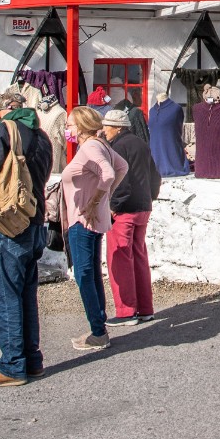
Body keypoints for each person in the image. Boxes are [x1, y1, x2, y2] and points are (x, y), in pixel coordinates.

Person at [0, 89, 53, 387]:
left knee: (5, 294)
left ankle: (12, 365)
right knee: (26, 294)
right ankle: (32, 360)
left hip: (10, 221)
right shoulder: (41, 135)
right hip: (35, 219)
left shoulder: (3, 131)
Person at [58, 105, 126, 351]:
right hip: (90, 217)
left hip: (83, 218)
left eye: (70, 125)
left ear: (82, 125)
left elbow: (109, 173)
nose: (68, 129)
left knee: (84, 273)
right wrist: (103, 198)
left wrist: (97, 200)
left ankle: (98, 331)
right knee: (92, 271)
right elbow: (121, 168)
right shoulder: (101, 145)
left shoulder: (89, 147)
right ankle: (99, 326)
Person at [101, 107, 160, 325]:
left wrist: (115, 205)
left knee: (120, 258)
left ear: (116, 128)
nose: (104, 130)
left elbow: (121, 181)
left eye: (107, 126)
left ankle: (126, 311)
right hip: (143, 206)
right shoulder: (140, 143)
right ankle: (145, 308)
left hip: (124, 209)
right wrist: (150, 197)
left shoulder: (117, 147)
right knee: (139, 257)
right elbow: (154, 175)